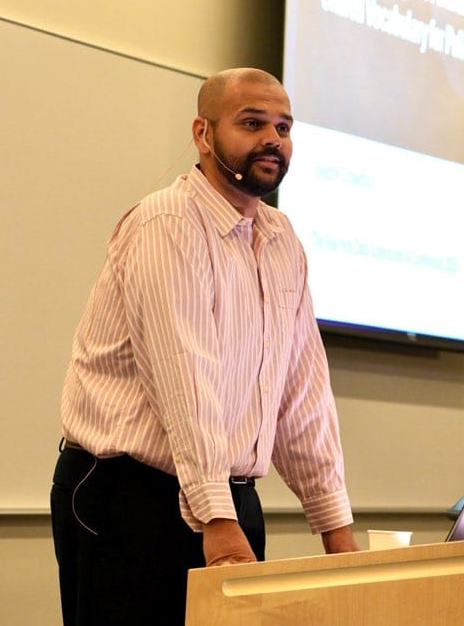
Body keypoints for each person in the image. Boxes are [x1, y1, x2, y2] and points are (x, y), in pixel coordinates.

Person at [50, 67, 359, 625]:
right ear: (203, 133)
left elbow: (301, 394)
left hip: (232, 495)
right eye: (251, 122)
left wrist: (335, 527)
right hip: (129, 495)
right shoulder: (166, 224)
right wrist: (216, 517)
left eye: (284, 127)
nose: (273, 138)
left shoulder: (282, 239)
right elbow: (182, 376)